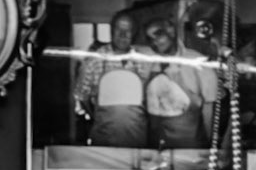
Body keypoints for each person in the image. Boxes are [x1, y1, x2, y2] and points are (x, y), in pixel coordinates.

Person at [140, 10, 219, 153]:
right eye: (150, 39)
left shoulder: (199, 63)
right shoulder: (149, 65)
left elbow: (209, 111)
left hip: (190, 147)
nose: (154, 42)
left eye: (158, 34)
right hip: (156, 146)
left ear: (171, 31)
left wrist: (207, 147)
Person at [74, 11, 147, 149]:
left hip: (137, 135)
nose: (123, 35)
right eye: (118, 29)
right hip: (104, 135)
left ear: (134, 33)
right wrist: (99, 116)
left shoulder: (143, 61)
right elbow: (81, 96)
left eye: (128, 30)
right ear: (111, 30)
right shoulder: (94, 59)